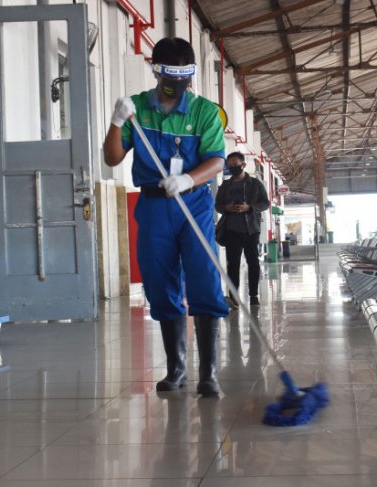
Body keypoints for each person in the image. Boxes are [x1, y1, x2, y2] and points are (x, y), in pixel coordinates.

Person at [102, 37, 228, 396]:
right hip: (155, 206)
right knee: (159, 283)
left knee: (204, 279)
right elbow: (112, 158)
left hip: (194, 203)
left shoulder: (204, 111)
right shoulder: (138, 110)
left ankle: (209, 373)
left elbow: (217, 160)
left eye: (185, 77)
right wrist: (116, 121)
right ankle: (176, 369)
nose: (179, 84)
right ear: (157, 72)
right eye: (172, 76)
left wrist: (188, 178)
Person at [215, 152, 270, 308]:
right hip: (232, 230)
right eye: (230, 166)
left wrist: (250, 207)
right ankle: (233, 298)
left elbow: (265, 203)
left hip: (251, 230)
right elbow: (217, 205)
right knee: (233, 265)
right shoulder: (225, 186)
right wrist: (227, 207)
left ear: (243, 165)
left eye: (235, 165)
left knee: (253, 263)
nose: (233, 168)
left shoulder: (255, 184)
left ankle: (253, 296)